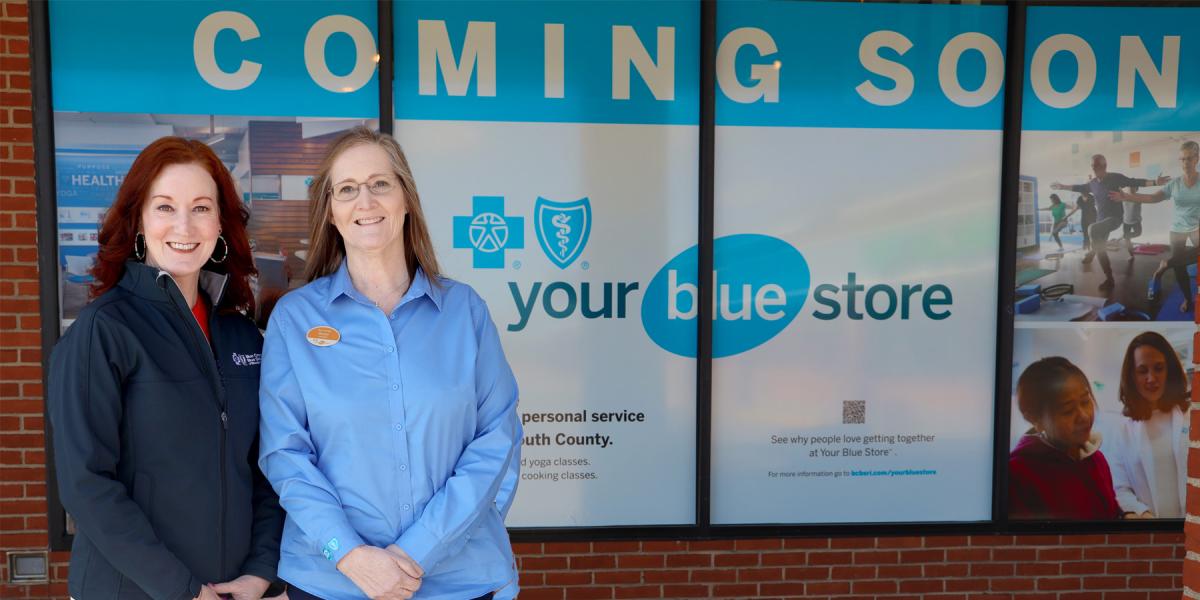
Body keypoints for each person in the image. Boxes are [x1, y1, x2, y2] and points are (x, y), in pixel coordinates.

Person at [258, 127, 522, 600]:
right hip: (331, 583)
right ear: (332, 213)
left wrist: (415, 553)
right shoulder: (294, 320)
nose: (365, 201)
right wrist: (349, 555)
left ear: (405, 199)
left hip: (457, 581)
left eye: (381, 183)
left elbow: (496, 441)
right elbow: (286, 454)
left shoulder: (465, 312)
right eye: (347, 189)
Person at [47, 137, 284, 600]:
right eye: (164, 207)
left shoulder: (240, 336)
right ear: (138, 219)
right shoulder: (104, 331)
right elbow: (86, 484)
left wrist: (260, 571)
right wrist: (184, 590)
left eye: (200, 207)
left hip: (233, 589)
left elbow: (267, 469)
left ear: (220, 221)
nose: (184, 225)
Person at [1009, 357, 1121, 520]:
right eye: (1068, 411)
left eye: (1085, 401)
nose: (1083, 416)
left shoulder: (1097, 460)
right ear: (1035, 419)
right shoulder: (1018, 475)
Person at [1052, 154, 1168, 292]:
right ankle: (1109, 278)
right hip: (1101, 221)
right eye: (1093, 167)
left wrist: (1155, 182)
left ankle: (1092, 253)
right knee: (1100, 247)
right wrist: (1062, 186)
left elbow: (1134, 181)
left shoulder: (1115, 177)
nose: (1095, 169)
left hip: (1115, 218)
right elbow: (1079, 187)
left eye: (1098, 166)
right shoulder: (1093, 183)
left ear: (1105, 166)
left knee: (1092, 229)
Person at [1110, 141, 1200, 314]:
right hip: (1177, 230)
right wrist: (1128, 196)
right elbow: (1153, 198)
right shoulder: (1175, 183)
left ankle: (1166, 264)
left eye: (1189, 158)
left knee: (1180, 260)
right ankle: (1188, 299)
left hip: (1197, 227)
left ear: (1197, 158)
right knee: (1180, 267)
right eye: (1182, 159)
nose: (1185, 163)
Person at [1108, 332, 1190, 519]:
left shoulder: (1192, 416)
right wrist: (1142, 515)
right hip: (1153, 532)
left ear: (1169, 371)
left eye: (1159, 368)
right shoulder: (1123, 430)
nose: (1151, 378)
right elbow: (1120, 488)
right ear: (1132, 376)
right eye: (1142, 370)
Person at [1076, 193, 1098, 261]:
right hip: (1084, 218)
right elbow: (1076, 208)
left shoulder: (1092, 197)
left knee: (1092, 234)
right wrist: (1066, 216)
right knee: (1085, 234)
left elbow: (1098, 205)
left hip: (1092, 217)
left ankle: (1091, 251)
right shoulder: (1079, 199)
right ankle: (1088, 250)